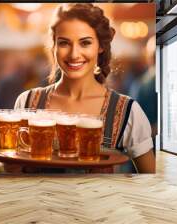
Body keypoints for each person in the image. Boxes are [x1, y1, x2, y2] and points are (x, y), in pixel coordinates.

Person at [14, 3, 155, 173]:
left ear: (101, 46)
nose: (74, 54)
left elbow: (150, 180)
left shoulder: (128, 111)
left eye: (85, 43)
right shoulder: (26, 102)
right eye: (64, 43)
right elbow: (14, 174)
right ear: (54, 47)